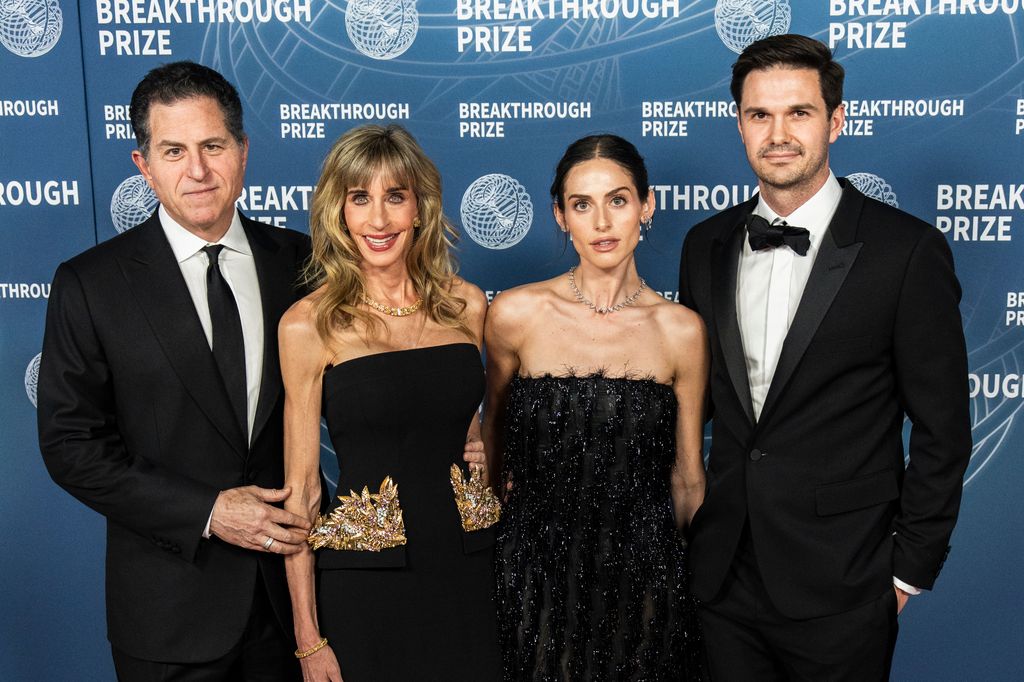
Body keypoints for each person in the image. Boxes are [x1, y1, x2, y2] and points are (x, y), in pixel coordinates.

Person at [678, 34, 972, 680]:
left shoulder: (906, 252)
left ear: (836, 121)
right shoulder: (705, 245)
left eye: (799, 113)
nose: (777, 133)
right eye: (760, 115)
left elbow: (943, 430)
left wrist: (905, 573)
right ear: (740, 124)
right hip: (722, 581)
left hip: (845, 582)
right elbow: (690, 403)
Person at [37, 61, 312, 679]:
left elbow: (368, 386)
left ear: (243, 151)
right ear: (144, 165)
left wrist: (460, 431)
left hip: (293, 605)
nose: (197, 171)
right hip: (168, 616)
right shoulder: (92, 284)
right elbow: (71, 447)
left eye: (213, 146)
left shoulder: (302, 261)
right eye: (173, 150)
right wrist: (210, 511)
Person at [278, 124, 502, 681]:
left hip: (472, 568)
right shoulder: (309, 323)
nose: (378, 220)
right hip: (366, 579)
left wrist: (484, 444)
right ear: (340, 213)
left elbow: (464, 422)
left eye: (394, 197)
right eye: (360, 199)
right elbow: (303, 492)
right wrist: (308, 639)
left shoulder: (467, 305)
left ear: (420, 209)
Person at [484, 134, 709, 681]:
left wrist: (697, 584)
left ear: (646, 206)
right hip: (534, 578)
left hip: (646, 578)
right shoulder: (515, 314)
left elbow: (686, 477)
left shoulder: (681, 331)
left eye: (618, 200)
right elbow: (491, 444)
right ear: (560, 215)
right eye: (582, 205)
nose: (602, 222)